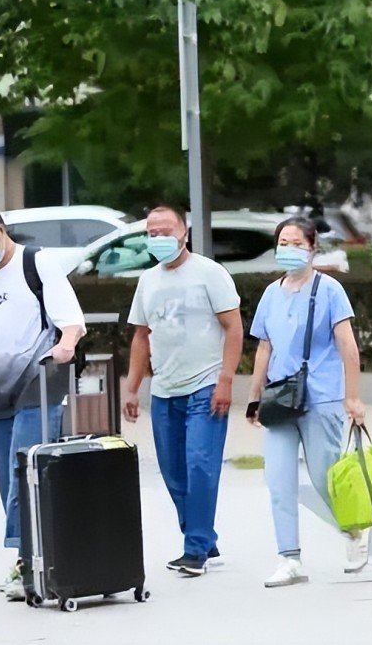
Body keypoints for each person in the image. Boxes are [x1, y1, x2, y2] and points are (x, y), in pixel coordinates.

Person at [0, 198, 86, 600]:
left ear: (0, 229)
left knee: (25, 467)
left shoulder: (37, 263)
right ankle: (30, 556)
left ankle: (26, 560)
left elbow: (71, 322)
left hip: (39, 381)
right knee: (6, 479)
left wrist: (65, 344)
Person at [245, 216, 369, 586]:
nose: (289, 249)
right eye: (283, 242)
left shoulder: (329, 290)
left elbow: (348, 346)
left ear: (313, 247)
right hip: (281, 398)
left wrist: (353, 397)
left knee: (323, 476)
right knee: (278, 479)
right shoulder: (271, 294)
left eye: (297, 242)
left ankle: (355, 528)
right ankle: (289, 557)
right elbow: (264, 347)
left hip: (322, 396)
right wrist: (254, 397)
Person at [123, 205, 243, 577]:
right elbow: (141, 336)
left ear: (184, 232)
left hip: (205, 385)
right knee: (173, 471)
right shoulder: (148, 281)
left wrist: (226, 379)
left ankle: (195, 551)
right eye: (151, 233)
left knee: (200, 466)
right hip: (165, 388)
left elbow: (234, 328)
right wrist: (132, 388)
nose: (159, 238)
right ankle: (203, 536)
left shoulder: (210, 273)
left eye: (166, 230)